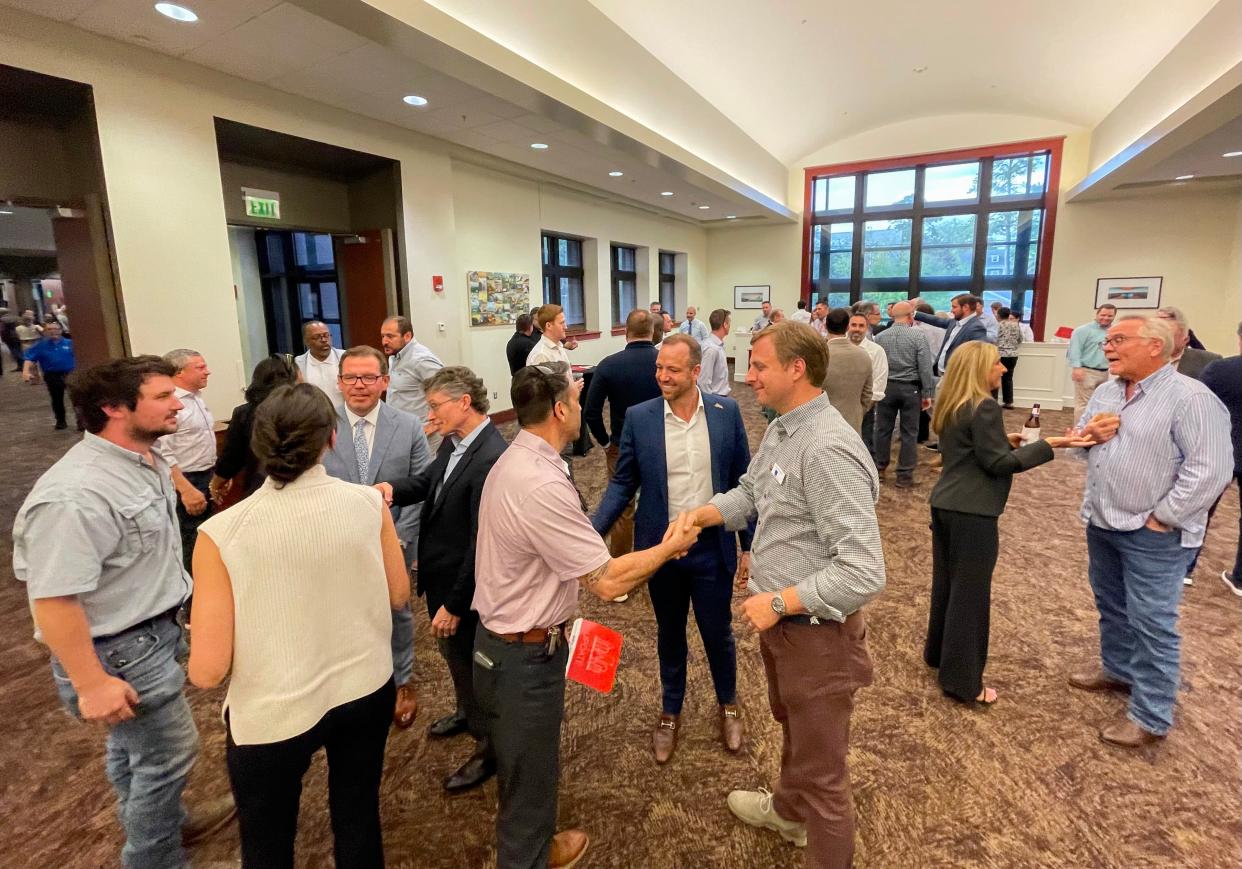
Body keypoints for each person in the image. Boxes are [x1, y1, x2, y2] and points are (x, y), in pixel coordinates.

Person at [473, 361, 701, 868]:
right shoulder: (539, 483)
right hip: (522, 656)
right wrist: (670, 546)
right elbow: (608, 581)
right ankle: (528, 856)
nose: (582, 407)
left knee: (526, 764)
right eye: (577, 400)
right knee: (528, 771)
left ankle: (536, 842)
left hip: (514, 640)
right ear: (559, 409)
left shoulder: (521, 460)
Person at [13, 356, 234, 868]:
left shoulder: (140, 457)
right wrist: (91, 684)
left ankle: (165, 823)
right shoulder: (75, 495)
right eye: (162, 396)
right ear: (113, 408)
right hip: (118, 650)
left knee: (133, 751)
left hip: (150, 632)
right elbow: (53, 600)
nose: (177, 402)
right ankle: (154, 858)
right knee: (168, 756)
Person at [683, 321, 883, 867]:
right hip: (788, 631)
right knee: (797, 730)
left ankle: (812, 825)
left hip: (818, 638)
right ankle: (790, 814)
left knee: (826, 778)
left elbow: (865, 571)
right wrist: (703, 515)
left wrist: (777, 602)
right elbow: (752, 491)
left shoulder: (827, 450)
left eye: (759, 366)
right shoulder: (784, 428)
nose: (749, 378)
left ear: (797, 369)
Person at [189, 383, 409, 868]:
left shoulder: (221, 533)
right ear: (332, 439)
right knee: (358, 815)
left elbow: (206, 671)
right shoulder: (368, 504)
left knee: (268, 844)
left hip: (272, 712)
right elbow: (398, 595)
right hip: (365, 687)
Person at [1069, 315, 1231, 747]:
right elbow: (1080, 448)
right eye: (1107, 340)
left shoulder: (1191, 399)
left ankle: (1151, 714)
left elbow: (1211, 470)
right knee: (1112, 604)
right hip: (1102, 520)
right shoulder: (1106, 391)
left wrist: (1165, 518)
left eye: (1119, 339)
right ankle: (1118, 669)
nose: (1108, 347)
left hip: (1153, 533)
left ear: (1155, 346)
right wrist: (1086, 436)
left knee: (1153, 622)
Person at [592, 335, 752, 763]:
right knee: (670, 634)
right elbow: (623, 482)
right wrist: (593, 531)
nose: (662, 375)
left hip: (710, 547)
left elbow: (743, 483)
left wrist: (748, 545)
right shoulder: (639, 417)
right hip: (659, 550)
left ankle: (728, 703)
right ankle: (670, 709)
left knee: (718, 633)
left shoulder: (725, 413)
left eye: (672, 370)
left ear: (696, 372)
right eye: (659, 368)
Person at [925, 341, 1084, 705]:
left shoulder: (953, 404)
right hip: (973, 510)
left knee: (948, 585)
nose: (1003, 369)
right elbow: (997, 465)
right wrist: (1050, 444)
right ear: (980, 368)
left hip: (946, 503)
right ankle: (963, 681)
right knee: (971, 595)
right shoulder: (983, 407)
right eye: (998, 363)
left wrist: (1003, 442)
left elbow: (971, 452)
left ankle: (938, 655)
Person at [375, 366, 507, 793]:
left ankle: (489, 749)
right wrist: (390, 490)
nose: (429, 413)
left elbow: (479, 542)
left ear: (463, 403)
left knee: (478, 669)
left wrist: (453, 603)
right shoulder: (454, 444)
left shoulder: (490, 455)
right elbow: (427, 484)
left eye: (435, 406)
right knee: (457, 661)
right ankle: (467, 713)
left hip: (463, 590)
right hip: (442, 577)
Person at [321, 346, 431, 730]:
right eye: (350, 377)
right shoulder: (321, 427)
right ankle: (350, 683)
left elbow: (423, 487)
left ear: (385, 382)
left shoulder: (409, 425)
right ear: (339, 382)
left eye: (369, 377)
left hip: (394, 540)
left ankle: (402, 680)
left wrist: (401, 539)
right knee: (343, 611)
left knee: (397, 613)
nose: (359, 386)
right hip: (336, 544)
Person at [583, 310, 661, 558]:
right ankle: (656, 559)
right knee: (658, 499)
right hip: (661, 443)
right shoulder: (664, 363)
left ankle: (621, 564)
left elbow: (591, 411)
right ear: (652, 332)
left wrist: (605, 442)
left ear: (625, 331)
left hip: (621, 445)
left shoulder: (608, 364)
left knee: (622, 506)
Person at [155, 348, 216, 575]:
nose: (207, 372)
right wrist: (185, 489)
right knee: (192, 542)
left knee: (206, 538)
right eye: (200, 368)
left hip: (206, 474)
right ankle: (193, 599)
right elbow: (163, 452)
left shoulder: (196, 399)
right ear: (179, 372)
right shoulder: (172, 405)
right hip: (186, 481)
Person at [210, 354, 299, 504]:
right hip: (300, 483)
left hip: (260, 487)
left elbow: (232, 456)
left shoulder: (244, 413)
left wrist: (216, 482)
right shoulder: (301, 408)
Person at [1200, 323, 1242, 596]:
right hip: (1223, 451)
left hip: (1221, 452)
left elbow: (1198, 408)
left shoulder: (1220, 370)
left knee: (1199, 510)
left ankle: (1183, 568)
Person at [874, 301, 933, 488]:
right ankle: (904, 475)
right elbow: (924, 367)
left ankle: (880, 469)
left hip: (887, 388)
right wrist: (928, 392)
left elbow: (877, 365)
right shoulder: (918, 336)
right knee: (909, 432)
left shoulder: (881, 337)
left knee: (882, 430)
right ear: (911, 316)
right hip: (911, 388)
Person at [381, 315, 445, 428]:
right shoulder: (394, 356)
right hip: (400, 428)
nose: (384, 341)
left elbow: (446, 391)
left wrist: (436, 424)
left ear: (407, 336)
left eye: (390, 336)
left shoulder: (421, 360)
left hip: (423, 431)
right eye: (383, 336)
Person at [913, 293, 991, 377]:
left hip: (956, 376)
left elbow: (980, 354)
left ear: (965, 307)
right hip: (941, 373)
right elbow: (937, 320)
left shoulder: (976, 327)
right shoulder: (955, 322)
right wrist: (914, 314)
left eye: (954, 307)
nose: (951, 310)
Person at [822, 308, 873, 433]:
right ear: (847, 328)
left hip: (822, 421)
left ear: (825, 326)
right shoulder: (863, 355)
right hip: (852, 421)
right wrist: (859, 412)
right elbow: (867, 394)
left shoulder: (818, 355)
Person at [22, 319, 76, 429]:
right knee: (56, 399)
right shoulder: (41, 345)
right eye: (49, 329)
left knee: (76, 398)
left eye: (56, 329)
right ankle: (61, 421)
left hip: (71, 373)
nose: (53, 331)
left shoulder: (70, 343)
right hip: (52, 375)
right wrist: (25, 372)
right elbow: (29, 358)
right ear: (46, 331)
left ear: (61, 330)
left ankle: (82, 422)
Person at [848, 312, 888, 462]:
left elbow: (879, 380)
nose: (857, 329)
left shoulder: (876, 351)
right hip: (838, 405)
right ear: (848, 327)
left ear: (867, 328)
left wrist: (866, 406)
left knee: (864, 442)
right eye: (854, 325)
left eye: (861, 326)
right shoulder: (836, 348)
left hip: (864, 405)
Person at [1066, 303, 1116, 419]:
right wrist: (1076, 368)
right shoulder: (1082, 330)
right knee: (1084, 405)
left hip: (1104, 372)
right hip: (1086, 371)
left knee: (1099, 404)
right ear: (1097, 314)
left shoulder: (1113, 332)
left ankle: (1092, 432)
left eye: (1110, 316)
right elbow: (1074, 350)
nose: (1106, 318)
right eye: (1103, 315)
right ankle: (1079, 433)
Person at [1155, 306, 1221, 380]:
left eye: (1168, 335)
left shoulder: (1207, 361)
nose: (1159, 340)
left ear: (1185, 340)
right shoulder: (1143, 358)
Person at [295, 320, 344, 409]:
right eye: (317, 337)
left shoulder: (346, 358)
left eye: (326, 335)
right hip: (313, 419)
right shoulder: (297, 364)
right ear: (306, 341)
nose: (324, 340)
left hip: (344, 417)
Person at [526, 304, 572, 368]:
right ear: (548, 326)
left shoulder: (559, 346)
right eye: (561, 323)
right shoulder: (541, 355)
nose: (566, 327)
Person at [698, 308, 731, 396]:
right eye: (729, 323)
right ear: (725, 325)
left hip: (720, 395)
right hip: (715, 397)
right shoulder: (711, 349)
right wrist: (711, 403)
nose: (730, 326)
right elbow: (703, 382)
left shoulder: (719, 345)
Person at [995, 306, 1023, 408]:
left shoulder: (998, 325)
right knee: (1008, 378)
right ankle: (1008, 402)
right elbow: (1020, 339)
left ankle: (993, 400)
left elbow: (994, 338)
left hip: (1000, 354)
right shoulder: (1016, 325)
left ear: (998, 315)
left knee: (995, 376)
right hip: (1013, 355)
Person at [0, 307, 22, 371]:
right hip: (17, 336)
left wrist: (3, 338)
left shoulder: (2, 319)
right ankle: (20, 366)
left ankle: (23, 365)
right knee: (19, 351)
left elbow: (2, 330)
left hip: (9, 338)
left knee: (15, 352)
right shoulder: (15, 317)